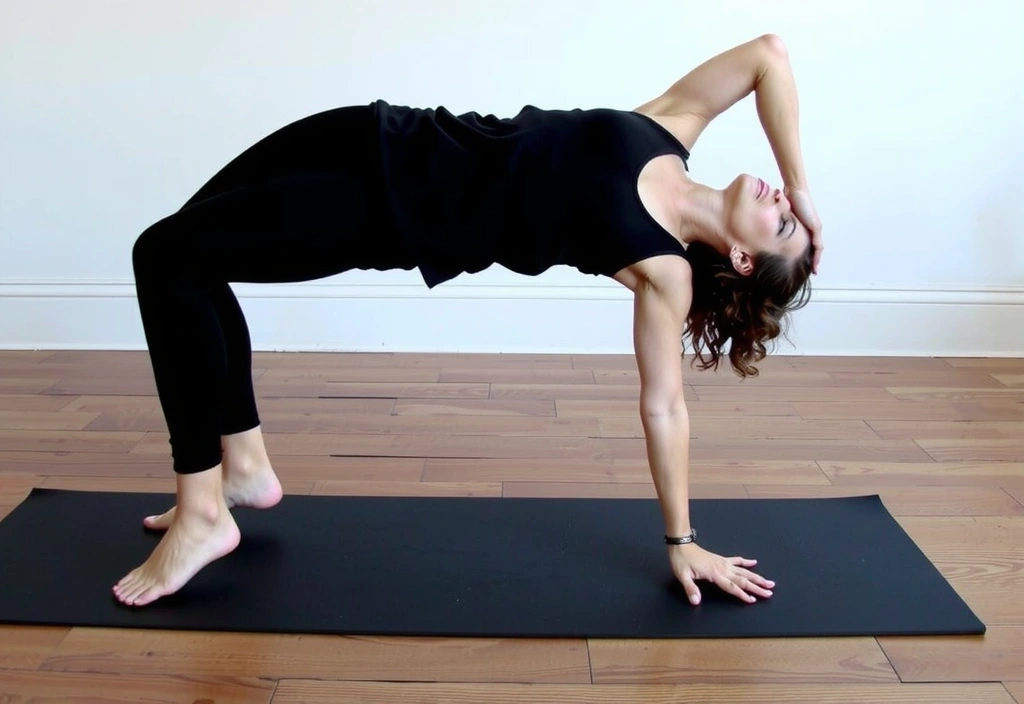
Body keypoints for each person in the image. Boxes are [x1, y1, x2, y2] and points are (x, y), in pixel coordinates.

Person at [114, 33, 822, 608]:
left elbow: (663, 406)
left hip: (389, 214)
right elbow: (768, 55)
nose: (775, 198)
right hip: (385, 131)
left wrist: (682, 540)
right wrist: (802, 191)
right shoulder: (669, 130)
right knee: (185, 247)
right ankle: (244, 467)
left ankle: (203, 510)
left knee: (166, 258)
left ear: (742, 258)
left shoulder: (661, 268)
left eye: (780, 223)